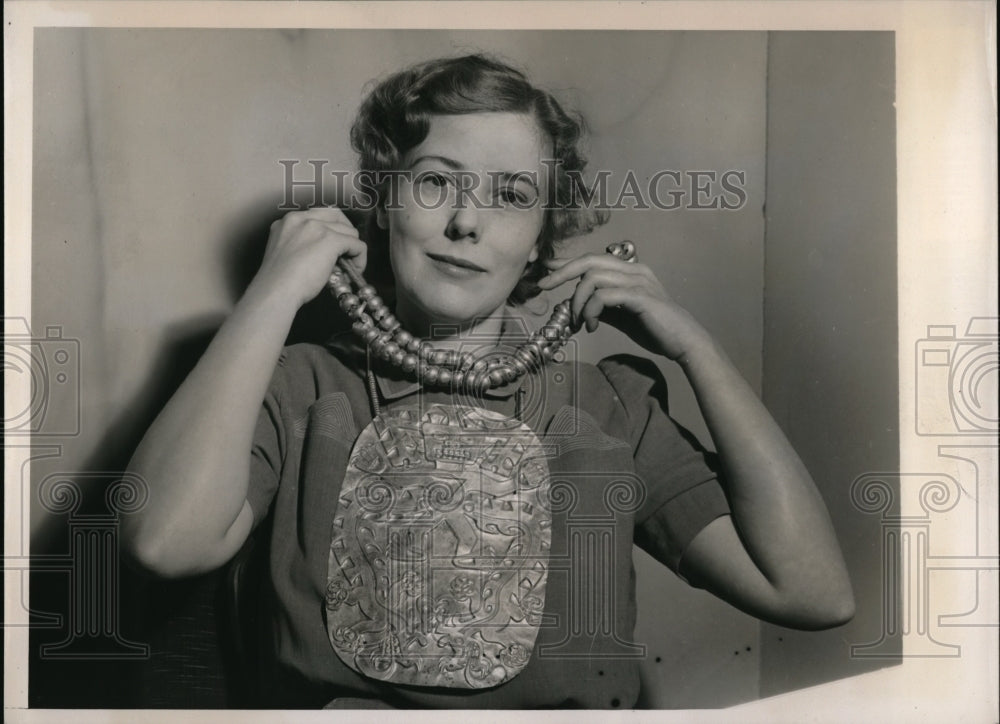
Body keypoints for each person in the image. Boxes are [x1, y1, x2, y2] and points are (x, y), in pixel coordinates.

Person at [123, 53, 854, 709]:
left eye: (510, 195)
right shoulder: (296, 387)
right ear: (383, 201)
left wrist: (695, 349)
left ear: (541, 232)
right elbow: (163, 542)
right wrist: (273, 294)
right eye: (437, 182)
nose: (467, 222)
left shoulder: (611, 408)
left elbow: (812, 593)